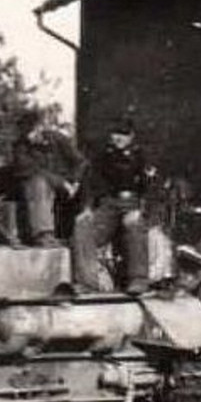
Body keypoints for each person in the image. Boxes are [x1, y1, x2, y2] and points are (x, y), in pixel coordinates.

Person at [71, 120, 153, 294]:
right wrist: (86, 209)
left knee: (133, 224)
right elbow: (89, 184)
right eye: (115, 133)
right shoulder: (103, 157)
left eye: (123, 134)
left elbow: (152, 188)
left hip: (133, 204)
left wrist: (141, 210)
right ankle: (87, 282)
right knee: (83, 226)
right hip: (108, 206)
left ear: (131, 136)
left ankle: (138, 279)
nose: (118, 138)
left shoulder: (141, 156)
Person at [9, 110, 87, 247]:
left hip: (63, 184)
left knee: (81, 187)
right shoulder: (20, 146)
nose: (31, 137)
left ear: (40, 128)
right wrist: (62, 182)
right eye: (27, 133)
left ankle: (76, 234)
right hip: (34, 185)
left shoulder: (58, 139)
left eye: (33, 132)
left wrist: (75, 181)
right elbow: (29, 170)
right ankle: (43, 234)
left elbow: (80, 162)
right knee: (38, 182)